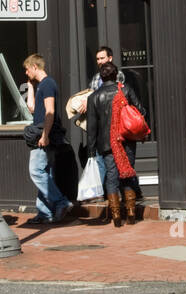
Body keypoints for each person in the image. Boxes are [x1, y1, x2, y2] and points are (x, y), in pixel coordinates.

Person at [85, 62, 145, 225]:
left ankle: (116, 216)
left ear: (101, 77)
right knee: (128, 174)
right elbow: (141, 111)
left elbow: (92, 127)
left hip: (107, 144)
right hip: (127, 139)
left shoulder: (94, 97)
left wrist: (90, 150)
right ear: (116, 74)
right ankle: (131, 213)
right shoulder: (125, 90)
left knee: (111, 177)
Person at [24, 54, 73, 223]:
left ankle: (61, 202)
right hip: (44, 134)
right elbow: (31, 108)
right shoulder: (41, 86)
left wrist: (44, 135)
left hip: (44, 135)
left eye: (27, 69)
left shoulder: (48, 84)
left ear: (35, 67)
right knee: (45, 173)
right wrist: (30, 86)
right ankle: (45, 213)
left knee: (36, 171)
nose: (26, 72)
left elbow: (49, 112)